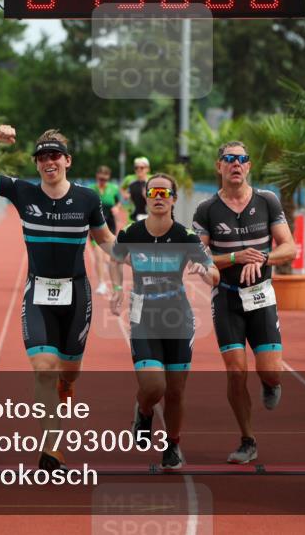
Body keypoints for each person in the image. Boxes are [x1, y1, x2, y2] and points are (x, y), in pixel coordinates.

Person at [0, 127, 116, 471]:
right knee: (43, 368)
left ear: (67, 161)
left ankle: (68, 383)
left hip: (76, 294)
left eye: (55, 156)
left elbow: (104, 238)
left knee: (70, 371)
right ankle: (51, 449)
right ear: (37, 165)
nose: (49, 162)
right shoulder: (23, 192)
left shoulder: (88, 198)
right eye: (42, 157)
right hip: (38, 291)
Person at [191, 141, 296, 464]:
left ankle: (270, 382)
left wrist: (263, 258)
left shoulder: (267, 201)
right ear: (219, 166)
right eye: (229, 159)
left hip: (261, 297)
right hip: (227, 299)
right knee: (236, 371)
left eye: (242, 159)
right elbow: (199, 257)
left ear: (249, 166)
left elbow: (289, 248)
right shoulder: (206, 210)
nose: (236, 164)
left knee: (271, 371)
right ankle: (248, 439)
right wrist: (234, 257)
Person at [109, 173, 218, 470]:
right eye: (153, 191)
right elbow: (115, 259)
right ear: (145, 196)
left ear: (173, 199)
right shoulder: (131, 232)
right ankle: (143, 411)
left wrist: (204, 271)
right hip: (144, 315)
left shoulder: (186, 237)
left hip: (177, 317)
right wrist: (118, 289)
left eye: (165, 192)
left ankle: (173, 445)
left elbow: (214, 273)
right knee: (154, 386)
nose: (159, 196)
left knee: (175, 390)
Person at [90, 165, 123, 295]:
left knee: (109, 257)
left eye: (105, 178)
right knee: (98, 254)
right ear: (97, 177)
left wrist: (117, 208)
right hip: (95, 227)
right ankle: (102, 284)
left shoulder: (114, 189)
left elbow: (118, 202)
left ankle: (115, 285)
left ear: (108, 178)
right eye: (100, 178)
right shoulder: (92, 190)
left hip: (110, 226)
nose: (102, 181)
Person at [121, 157, 151, 223]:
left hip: (149, 215)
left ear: (147, 169)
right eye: (136, 168)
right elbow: (122, 188)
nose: (139, 169)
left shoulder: (152, 179)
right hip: (133, 215)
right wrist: (125, 195)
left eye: (142, 167)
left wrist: (148, 196)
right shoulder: (129, 178)